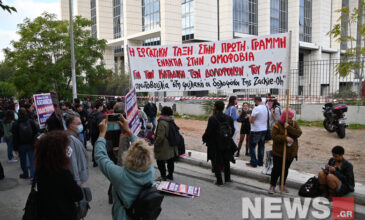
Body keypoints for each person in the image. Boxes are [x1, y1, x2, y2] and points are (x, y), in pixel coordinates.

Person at [95, 116, 154, 220]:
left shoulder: (120, 175)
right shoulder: (150, 170)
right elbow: (141, 148)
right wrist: (129, 131)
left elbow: (100, 157)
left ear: (128, 156)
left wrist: (101, 134)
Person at [35, 130, 83, 220]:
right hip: (64, 215)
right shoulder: (63, 173)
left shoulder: (40, 169)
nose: (67, 149)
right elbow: (78, 195)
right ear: (58, 152)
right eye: (65, 147)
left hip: (45, 214)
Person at [269, 110, 302, 194]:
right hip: (279, 152)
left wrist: (289, 128)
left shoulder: (294, 124)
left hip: (290, 153)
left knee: (285, 169)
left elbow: (298, 133)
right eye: (289, 118)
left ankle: (282, 185)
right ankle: (272, 186)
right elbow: (274, 136)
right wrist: (285, 138)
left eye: (292, 118)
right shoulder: (277, 125)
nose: (291, 120)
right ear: (284, 118)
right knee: (276, 169)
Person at [203, 101, 235, 185]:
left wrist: (204, 139)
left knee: (216, 162)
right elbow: (233, 130)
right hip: (226, 142)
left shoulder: (212, 118)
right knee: (226, 161)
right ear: (223, 108)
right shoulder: (229, 118)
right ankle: (227, 178)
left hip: (215, 144)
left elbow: (208, 132)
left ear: (215, 108)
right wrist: (227, 137)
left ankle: (219, 181)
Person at [12, 108, 38, 179]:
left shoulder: (15, 124)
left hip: (21, 145)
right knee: (32, 161)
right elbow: (36, 131)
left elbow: (15, 137)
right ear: (26, 113)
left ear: (18, 114)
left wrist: (15, 148)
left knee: (23, 161)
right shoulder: (31, 121)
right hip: (31, 144)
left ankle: (26, 174)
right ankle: (32, 177)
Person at [154, 106, 178, 181]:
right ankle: (170, 175)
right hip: (171, 144)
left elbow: (160, 137)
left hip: (163, 146)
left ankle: (163, 176)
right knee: (170, 160)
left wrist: (155, 143)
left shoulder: (162, 122)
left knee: (160, 161)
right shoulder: (171, 120)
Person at [65, 115, 89, 185]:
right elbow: (72, 161)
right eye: (78, 124)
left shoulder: (74, 136)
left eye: (81, 123)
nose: (81, 125)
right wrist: (77, 180)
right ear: (70, 126)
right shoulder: (70, 139)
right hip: (76, 180)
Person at [246, 97, 268, 168]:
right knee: (261, 146)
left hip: (256, 130)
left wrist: (249, 117)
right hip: (264, 129)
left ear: (256, 101)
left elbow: (252, 121)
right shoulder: (265, 108)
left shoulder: (256, 108)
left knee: (252, 146)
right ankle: (260, 162)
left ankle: (253, 162)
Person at [89, 101, 104, 167]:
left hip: (92, 132)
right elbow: (100, 125)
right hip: (97, 133)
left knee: (94, 146)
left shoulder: (91, 113)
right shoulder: (100, 115)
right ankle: (96, 161)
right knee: (97, 146)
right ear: (100, 107)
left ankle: (94, 159)